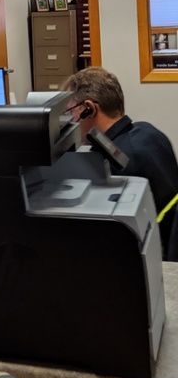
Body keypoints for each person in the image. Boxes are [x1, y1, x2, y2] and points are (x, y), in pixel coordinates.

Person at [64, 66, 178, 258]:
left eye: (71, 112)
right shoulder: (148, 132)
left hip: (155, 257)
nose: (70, 120)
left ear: (89, 109)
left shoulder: (115, 163)